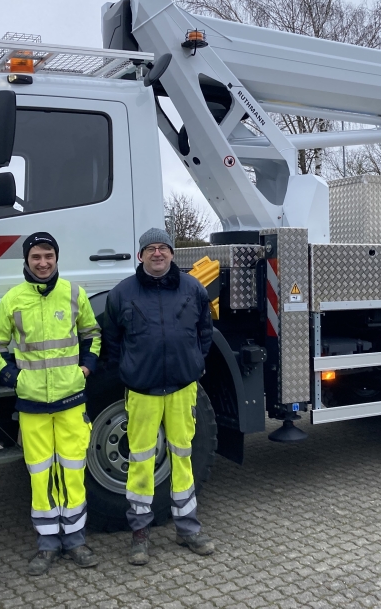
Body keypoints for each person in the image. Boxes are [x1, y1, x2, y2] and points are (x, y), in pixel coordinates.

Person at [0, 232, 101, 575]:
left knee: (72, 471)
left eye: (48, 256)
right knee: (40, 474)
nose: (43, 262)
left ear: (56, 258)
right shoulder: (13, 299)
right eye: (36, 256)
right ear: (27, 260)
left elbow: (92, 335)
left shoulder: (73, 293)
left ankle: (76, 540)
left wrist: (87, 369)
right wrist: (12, 378)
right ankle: (48, 543)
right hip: (33, 402)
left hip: (70, 400)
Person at [103, 227, 216, 566]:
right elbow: (112, 341)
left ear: (171, 253)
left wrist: (193, 364)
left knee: (183, 456)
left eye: (163, 248)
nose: (157, 254)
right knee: (140, 460)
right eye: (150, 248)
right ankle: (140, 533)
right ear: (140, 255)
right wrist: (129, 370)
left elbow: (205, 333)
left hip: (182, 389)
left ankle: (188, 529)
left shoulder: (193, 288)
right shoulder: (122, 293)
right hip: (142, 391)